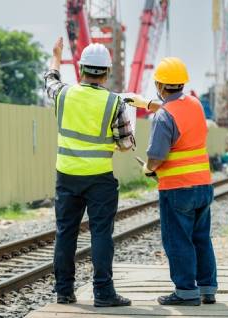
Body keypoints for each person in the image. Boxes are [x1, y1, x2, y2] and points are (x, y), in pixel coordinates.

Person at [44, 37, 134, 307]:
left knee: (65, 233)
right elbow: (126, 144)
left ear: (81, 69)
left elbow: (49, 80)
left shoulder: (63, 94)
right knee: (101, 234)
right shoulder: (114, 103)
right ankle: (104, 293)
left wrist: (57, 56)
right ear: (106, 72)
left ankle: (64, 291)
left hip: (67, 176)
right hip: (99, 180)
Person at [128, 57, 217, 306]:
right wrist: (147, 104)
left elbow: (156, 155)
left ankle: (186, 292)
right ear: (181, 83)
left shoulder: (163, 117)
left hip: (177, 189)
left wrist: (148, 168)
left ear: (159, 84)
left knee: (178, 239)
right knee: (201, 238)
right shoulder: (197, 105)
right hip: (203, 184)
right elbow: (177, 110)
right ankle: (207, 289)